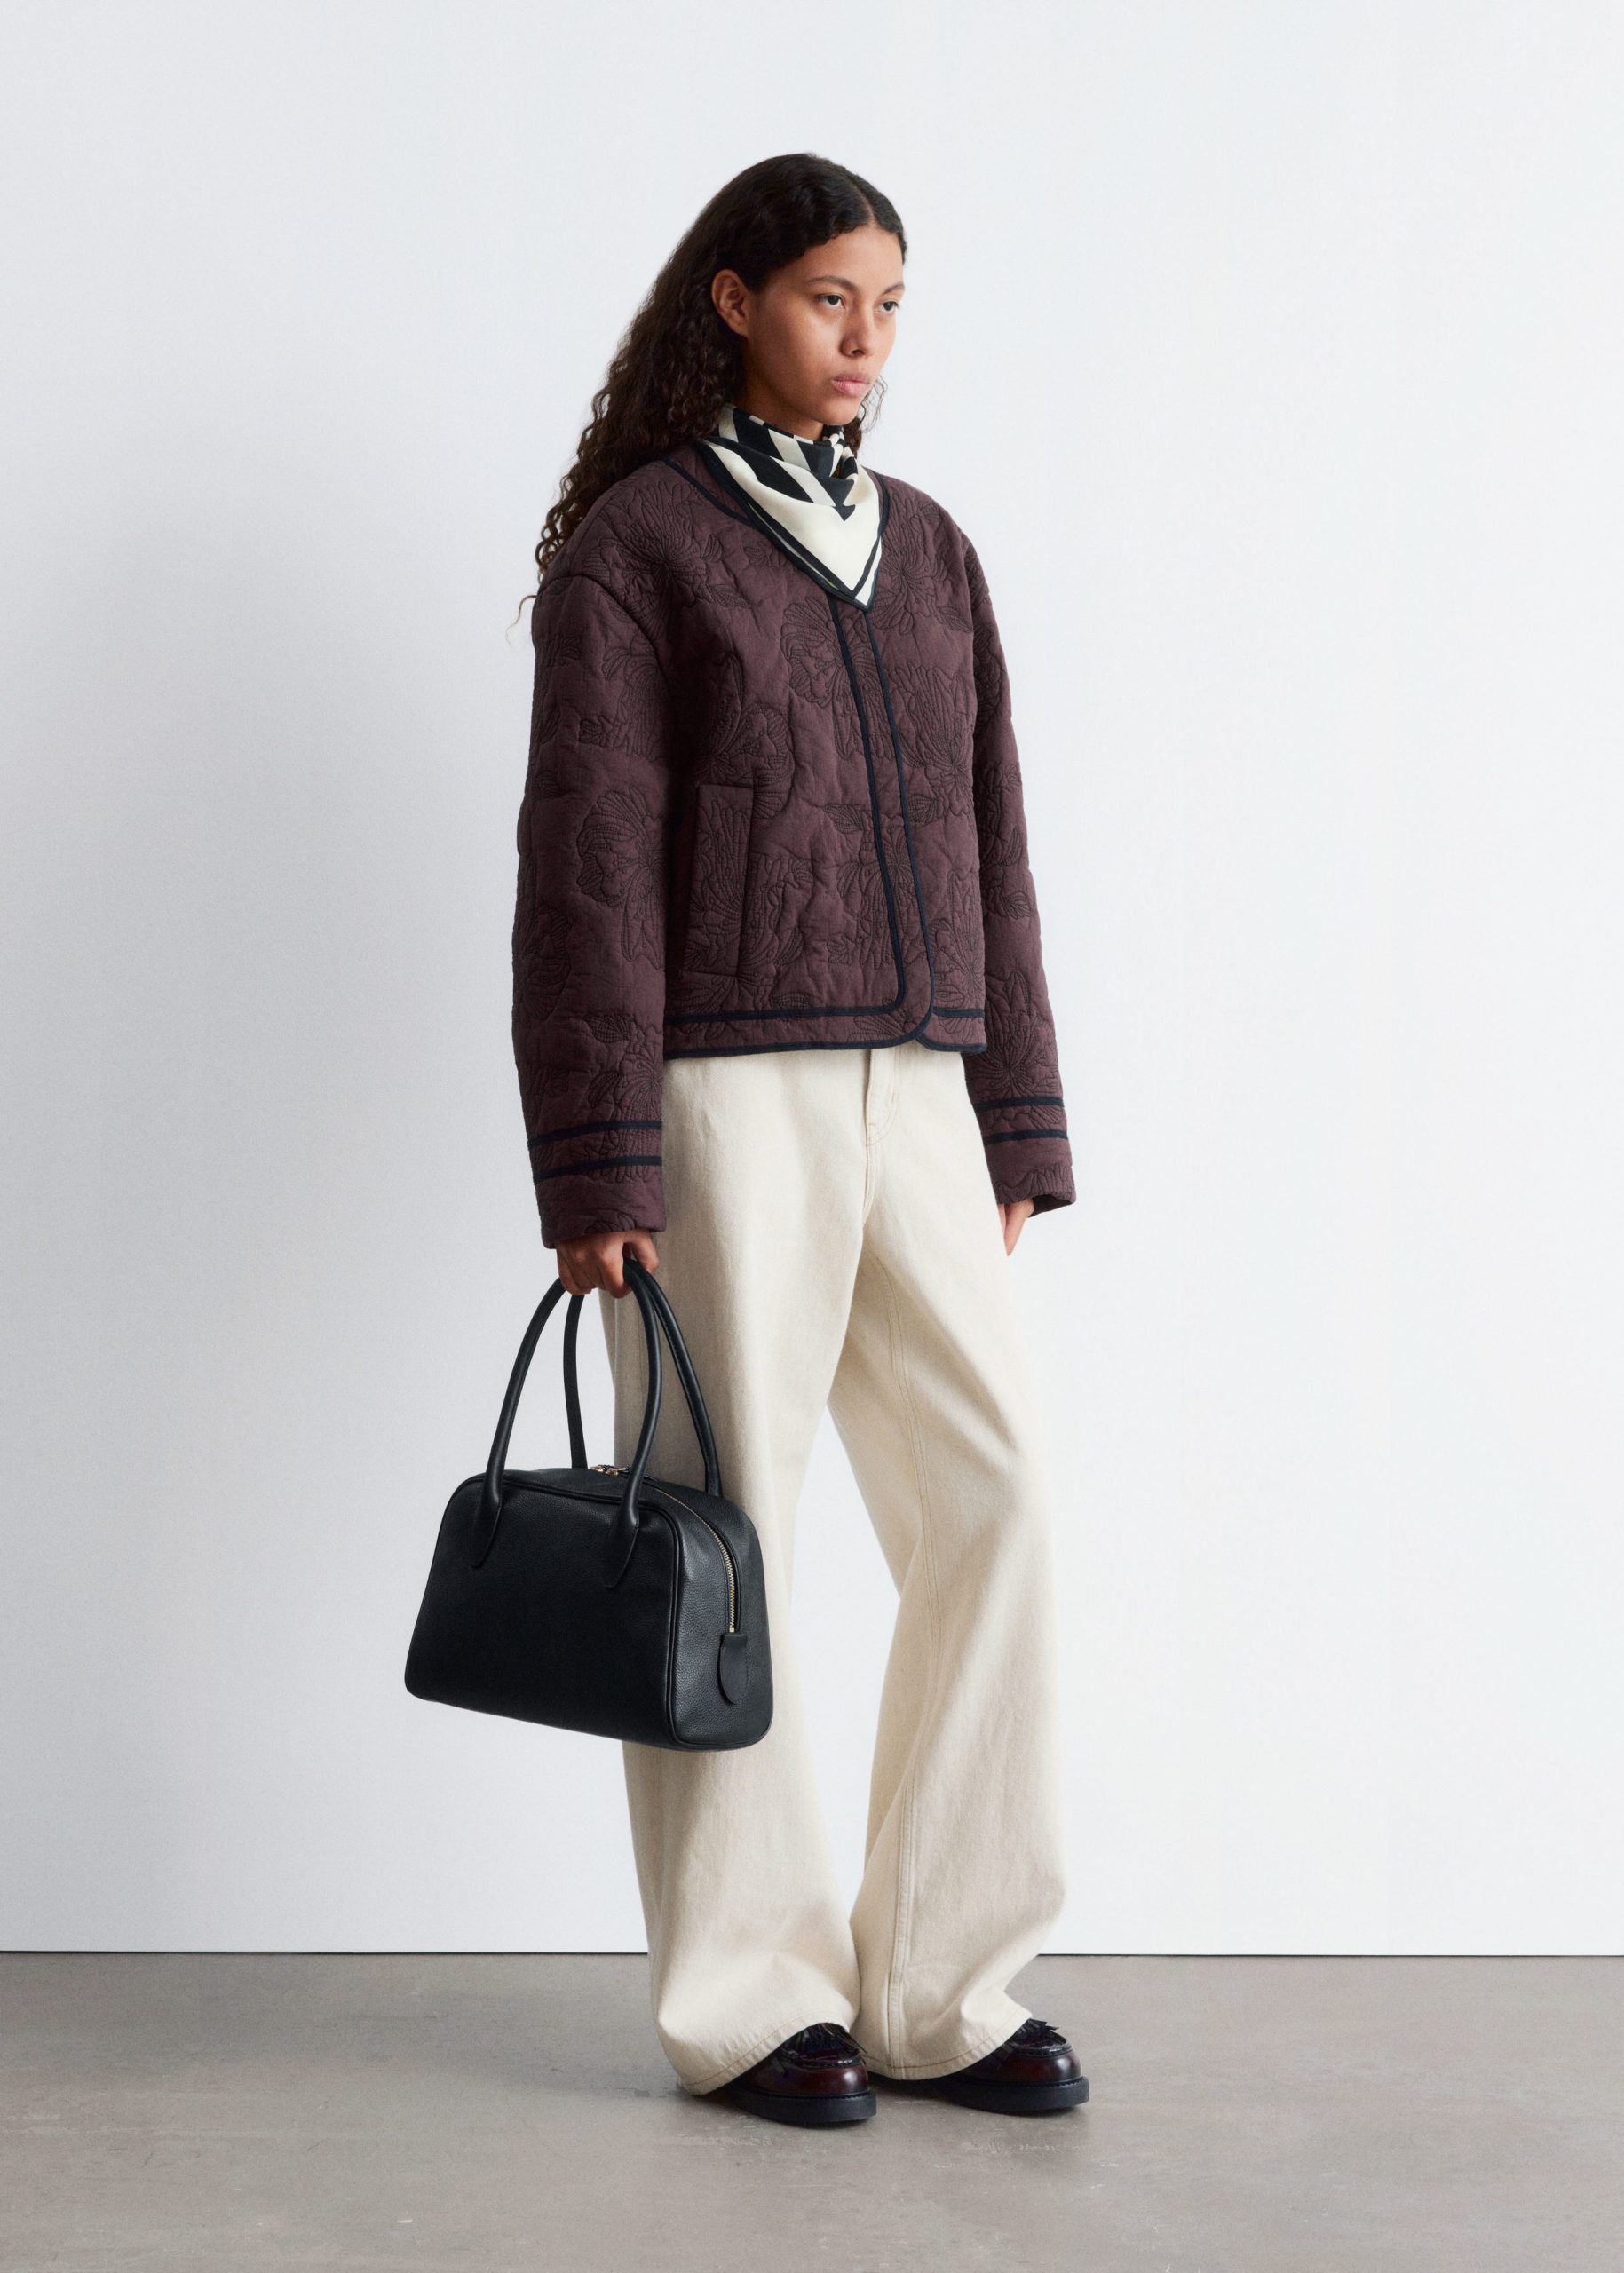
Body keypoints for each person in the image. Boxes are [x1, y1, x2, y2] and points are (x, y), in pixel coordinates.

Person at [511, 152, 1087, 2127]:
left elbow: (993, 839)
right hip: (719, 1089)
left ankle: (942, 1984)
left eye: (891, 304)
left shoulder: (931, 551)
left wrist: (1015, 1113)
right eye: (833, 297)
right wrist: (598, 1160)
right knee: (718, 1528)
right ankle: (753, 1998)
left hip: (918, 1082)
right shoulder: (641, 550)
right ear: (737, 300)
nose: (866, 338)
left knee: (995, 1498)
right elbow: (585, 867)